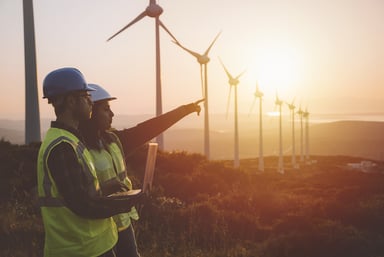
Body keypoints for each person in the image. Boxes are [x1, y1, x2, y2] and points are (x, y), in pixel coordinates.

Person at [78, 83, 204, 257]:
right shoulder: (79, 149)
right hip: (99, 230)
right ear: (91, 113)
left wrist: (184, 110)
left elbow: (148, 128)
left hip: (123, 222)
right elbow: (82, 195)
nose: (112, 114)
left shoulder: (114, 141)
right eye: (106, 109)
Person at [37, 67, 143, 257]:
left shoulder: (72, 141)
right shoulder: (62, 147)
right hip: (79, 249)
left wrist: (106, 188)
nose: (90, 103)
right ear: (71, 101)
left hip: (94, 245)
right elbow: (82, 204)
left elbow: (81, 192)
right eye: (86, 97)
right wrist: (126, 202)